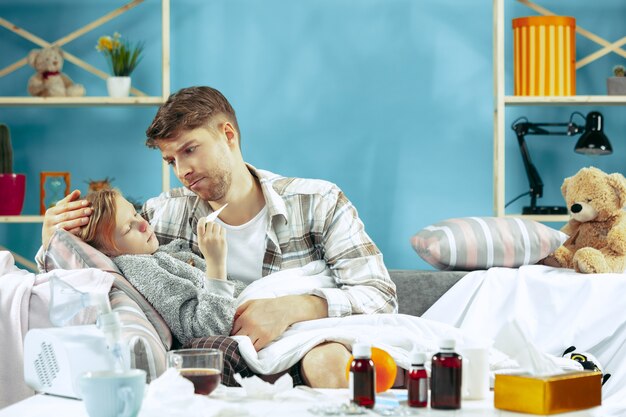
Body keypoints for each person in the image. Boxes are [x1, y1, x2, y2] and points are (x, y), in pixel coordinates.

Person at [39, 86, 398, 388]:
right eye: (171, 160)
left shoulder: (317, 202)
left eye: (190, 150)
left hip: (306, 350)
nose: (182, 171)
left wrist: (291, 307)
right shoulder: (162, 215)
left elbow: (381, 296)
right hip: (221, 368)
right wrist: (52, 242)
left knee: (328, 359)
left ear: (228, 135)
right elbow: (92, 276)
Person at [77, 188, 245, 345]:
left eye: (135, 214)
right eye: (128, 228)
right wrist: (216, 263)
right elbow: (205, 331)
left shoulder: (156, 255)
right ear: (107, 253)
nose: (143, 224)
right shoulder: (141, 270)